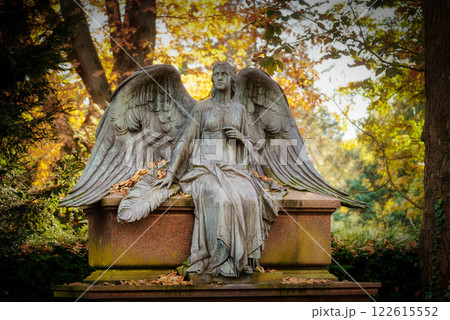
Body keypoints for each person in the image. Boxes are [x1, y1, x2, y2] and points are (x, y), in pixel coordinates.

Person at [153, 62, 277, 277]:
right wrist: (171, 172)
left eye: (224, 74)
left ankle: (242, 258)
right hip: (205, 169)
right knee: (222, 199)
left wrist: (241, 138)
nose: (219, 78)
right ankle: (222, 257)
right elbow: (184, 141)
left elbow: (254, 146)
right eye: (216, 74)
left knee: (249, 197)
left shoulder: (239, 110)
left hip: (234, 169)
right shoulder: (202, 108)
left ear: (231, 80)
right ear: (212, 79)